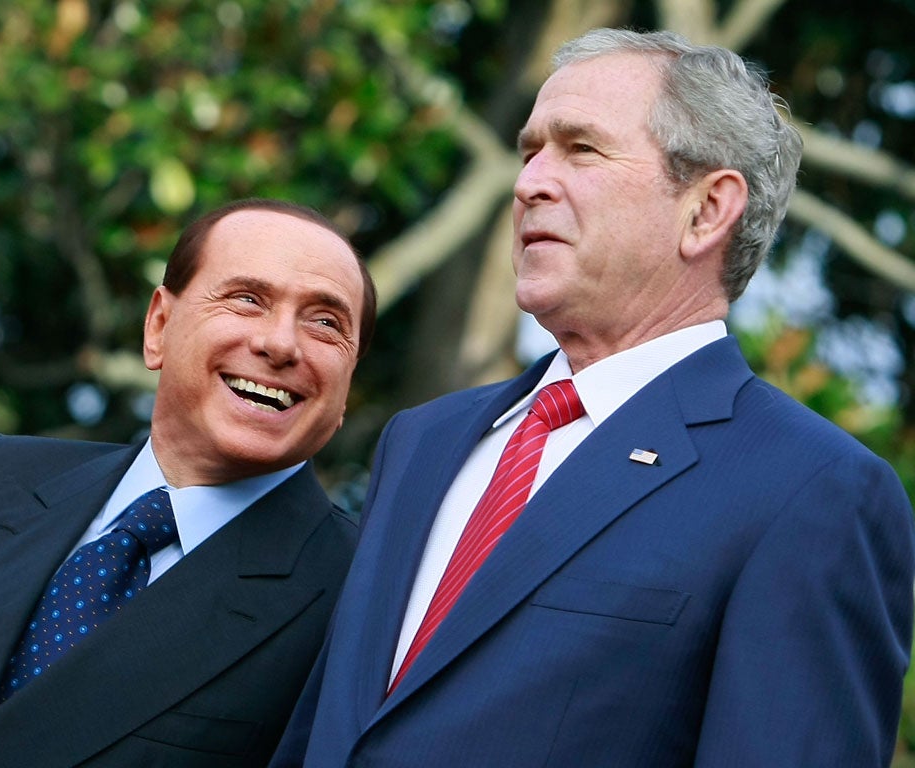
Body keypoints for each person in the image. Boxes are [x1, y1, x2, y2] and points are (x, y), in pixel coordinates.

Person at [271, 28, 915, 768]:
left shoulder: (811, 490)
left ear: (706, 211)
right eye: (529, 150)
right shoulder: (422, 440)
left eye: (580, 149)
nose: (529, 183)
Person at [0, 197, 377, 767]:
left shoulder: (362, 595)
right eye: (247, 299)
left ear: (346, 387)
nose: (280, 344)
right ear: (159, 327)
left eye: (326, 322)